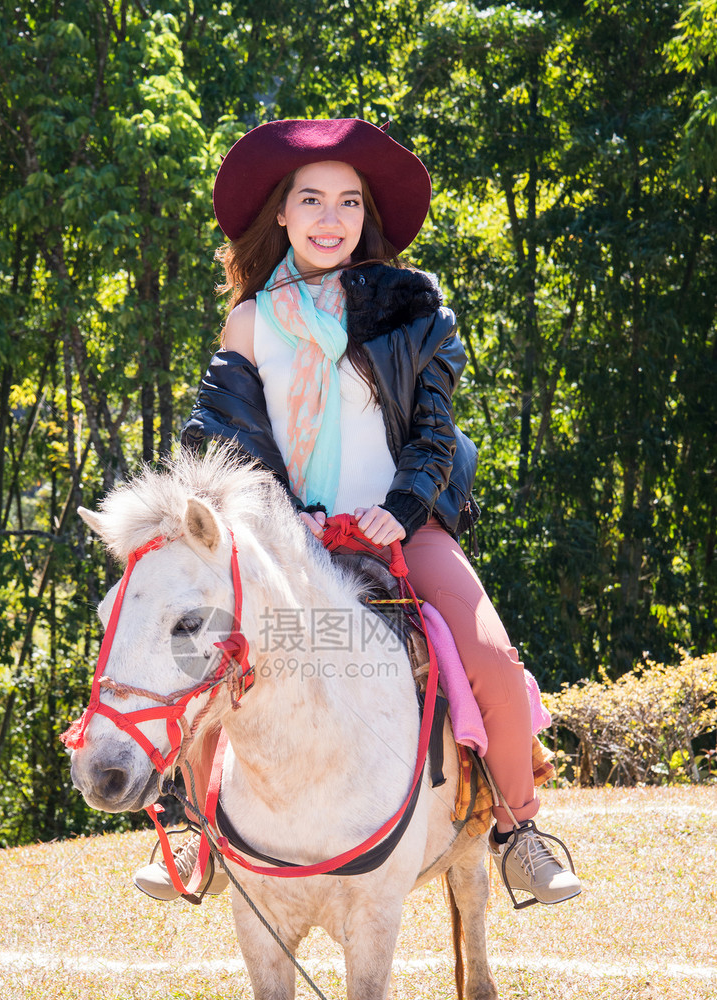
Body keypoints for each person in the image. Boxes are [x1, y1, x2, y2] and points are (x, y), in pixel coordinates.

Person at [133, 117, 580, 909]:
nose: (330, 217)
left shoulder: (415, 312)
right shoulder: (248, 323)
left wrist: (401, 511)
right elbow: (231, 444)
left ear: (366, 216)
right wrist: (280, 517)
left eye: (347, 201)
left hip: (401, 526)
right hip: (286, 537)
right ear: (282, 212)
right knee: (208, 653)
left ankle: (519, 832)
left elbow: (436, 431)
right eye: (312, 199)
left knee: (496, 667)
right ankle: (199, 835)